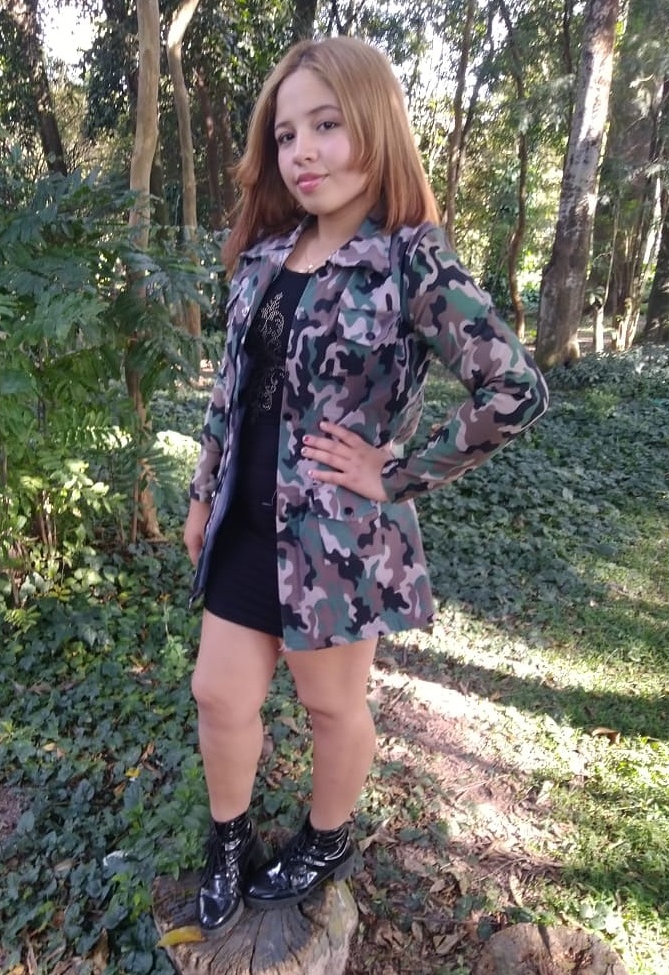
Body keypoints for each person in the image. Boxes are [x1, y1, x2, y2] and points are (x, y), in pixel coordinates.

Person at [182, 35, 548, 937]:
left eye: (326, 126)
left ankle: (327, 837)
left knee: (329, 704)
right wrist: (201, 489)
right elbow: (231, 386)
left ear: (375, 127)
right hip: (244, 520)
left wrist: (401, 473)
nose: (301, 152)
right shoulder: (268, 253)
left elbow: (514, 388)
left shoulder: (410, 260)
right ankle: (228, 840)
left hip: (335, 542)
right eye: (286, 135)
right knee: (218, 693)